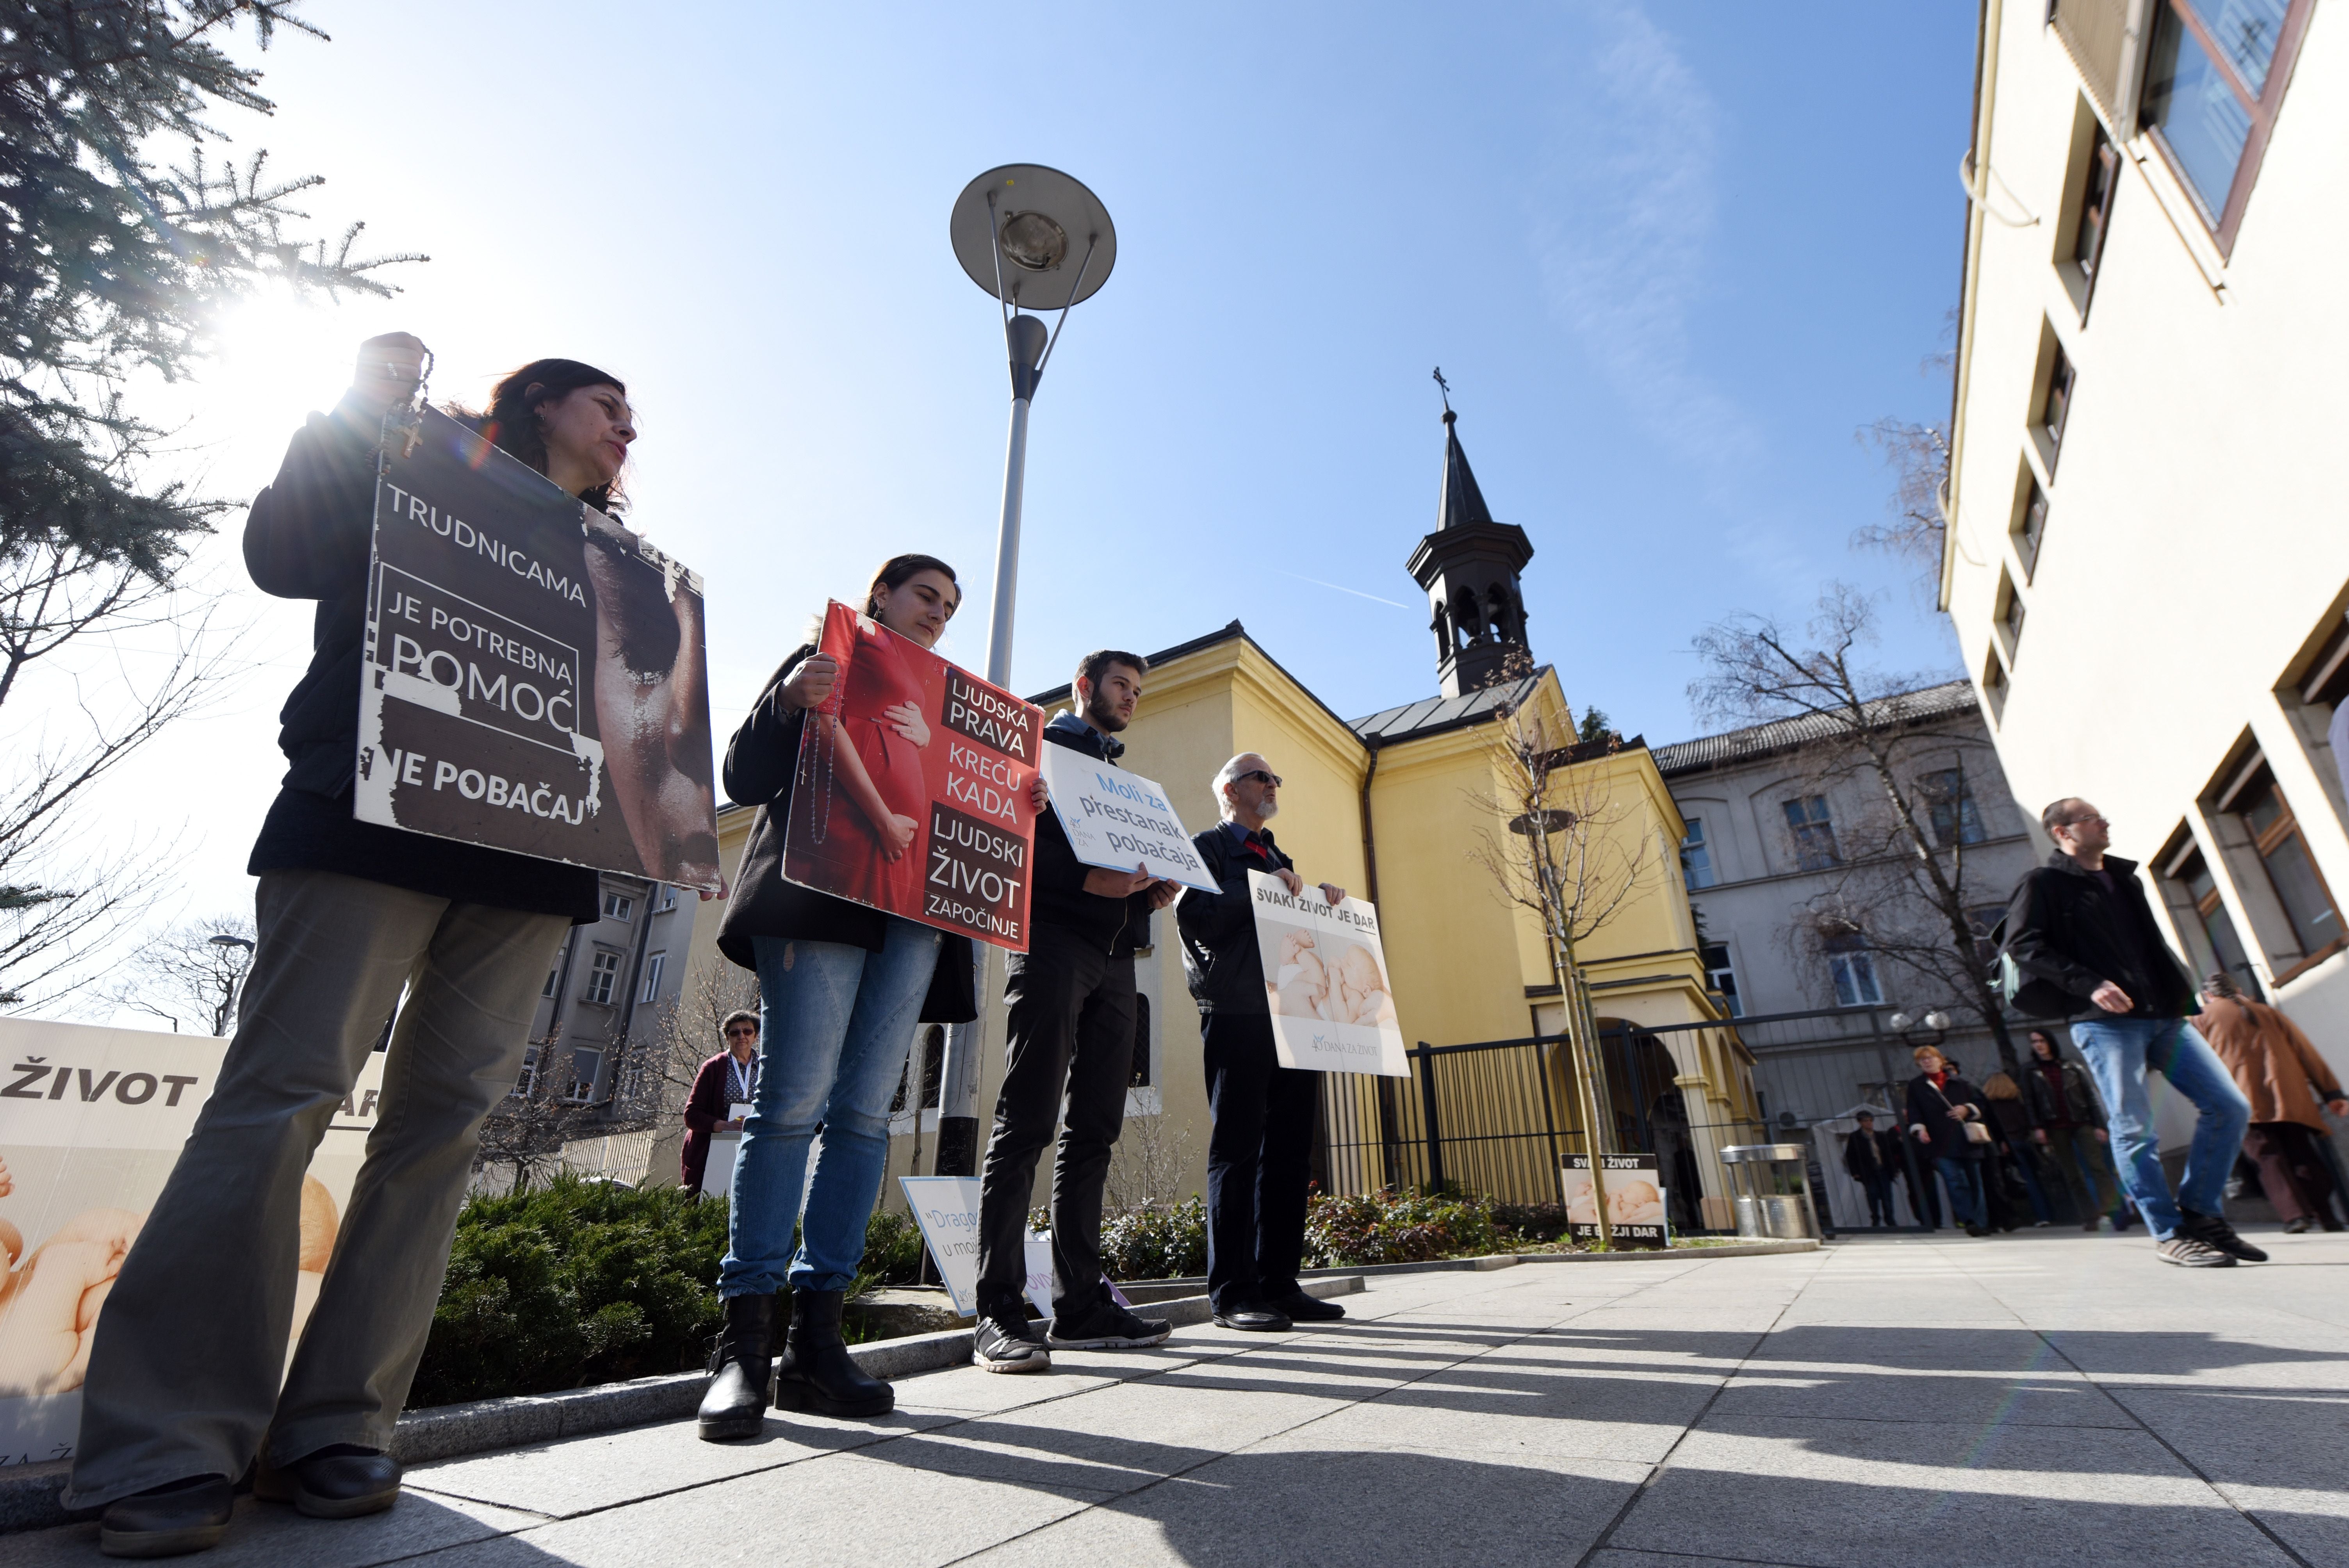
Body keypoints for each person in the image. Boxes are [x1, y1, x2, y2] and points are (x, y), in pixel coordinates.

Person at [62, 340, 622, 1556]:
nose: (628, 426)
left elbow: (642, 722)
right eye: (605, 402)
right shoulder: (413, 468)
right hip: (369, 810)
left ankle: (338, 1425)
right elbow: (284, 556)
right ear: (535, 403)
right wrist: (358, 413)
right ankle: (167, 1444)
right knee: (279, 1098)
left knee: (443, 1129)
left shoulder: (618, 566)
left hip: (529, 862)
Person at [699, 555, 994, 1442]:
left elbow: (961, 806)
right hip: (820, 893)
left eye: (950, 604)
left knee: (865, 1114)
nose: (938, 613)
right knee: (789, 1105)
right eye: (924, 596)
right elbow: (745, 774)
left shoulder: (951, 707)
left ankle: (817, 1344)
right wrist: (790, 699)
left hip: (912, 913)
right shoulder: (821, 656)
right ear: (880, 597)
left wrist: (1014, 801)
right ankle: (742, 1347)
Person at [972, 652, 1179, 1373]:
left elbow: (1119, 869)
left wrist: (1149, 892)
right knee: (1025, 1123)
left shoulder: (1120, 779)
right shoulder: (1041, 754)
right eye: (1122, 685)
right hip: (1053, 946)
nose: (1131, 698)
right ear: (1085, 688)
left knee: (1093, 1132)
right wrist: (1084, 877)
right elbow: (1010, 843)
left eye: (1138, 690)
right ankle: (997, 1310)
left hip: (1117, 959)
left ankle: (1081, 1306)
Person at [2004, 799, 2257, 1267]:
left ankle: (2201, 1214)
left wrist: (2184, 1005)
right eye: (2091, 817)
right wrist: (2090, 983)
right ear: (2062, 832)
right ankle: (2168, 1231)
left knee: (2229, 1105)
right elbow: (2021, 945)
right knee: (2133, 1126)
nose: (2104, 822)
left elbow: (2148, 948)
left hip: (2163, 1015)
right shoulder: (2044, 882)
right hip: (2103, 1024)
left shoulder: (2125, 879)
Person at [1177, 754, 1349, 1331]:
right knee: (1238, 1149)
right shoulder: (1207, 848)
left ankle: (1279, 1283)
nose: (1273, 784)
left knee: (1291, 1153)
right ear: (1229, 788)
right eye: (1261, 777)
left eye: (1277, 778)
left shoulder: (1278, 856)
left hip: (1293, 1015)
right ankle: (1233, 1293)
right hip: (1236, 1013)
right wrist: (1260, 891)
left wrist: (1323, 904)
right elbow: (1195, 917)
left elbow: (1288, 929)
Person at [2196, 974, 2348, 1234]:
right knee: (2303, 1155)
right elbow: (2305, 1051)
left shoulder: (2202, 1021)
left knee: (2267, 1158)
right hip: (2290, 1096)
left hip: (2243, 1102)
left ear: (2208, 996)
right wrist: (2332, 1093)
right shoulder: (2268, 1012)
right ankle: (2327, 1216)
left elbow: (2197, 1068)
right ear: (2238, 990)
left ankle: (2295, 1216)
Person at [2021, 1029, 2126, 1229]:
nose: (2039, 1045)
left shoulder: (2072, 1066)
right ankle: (2089, 1217)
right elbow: (2029, 1102)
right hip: (2055, 1126)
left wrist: (2100, 1125)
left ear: (2051, 1042)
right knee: (2072, 1174)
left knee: (2099, 1168)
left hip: (2082, 1121)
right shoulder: (2030, 1071)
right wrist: (2037, 1127)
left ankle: (2115, 1212)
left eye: (2042, 1041)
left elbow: (2091, 1097)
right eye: (2034, 1042)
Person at [1905, 1046, 1997, 1236]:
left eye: (1931, 1058)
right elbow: (1914, 1111)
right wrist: (1919, 1129)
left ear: (1941, 1060)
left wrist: (1967, 1109)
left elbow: (1981, 1103)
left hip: (1967, 1140)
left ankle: (1981, 1222)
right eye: (1923, 1060)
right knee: (1955, 1181)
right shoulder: (1916, 1086)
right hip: (1939, 1143)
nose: (1927, 1062)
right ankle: (1970, 1221)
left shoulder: (1960, 1083)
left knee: (1975, 1182)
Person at [682, 1011, 762, 1197]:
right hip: (713, 1150)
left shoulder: (767, 1068)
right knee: (709, 1207)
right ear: (727, 1038)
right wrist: (725, 1126)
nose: (741, 1036)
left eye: (747, 1031)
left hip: (755, 1149)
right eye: (735, 1033)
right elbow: (691, 1115)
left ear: (756, 1036)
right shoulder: (713, 1067)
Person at [1980, 1073, 2054, 1226]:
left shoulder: (1990, 1106)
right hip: (2023, 1142)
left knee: (2001, 1182)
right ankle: (2045, 1215)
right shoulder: (2018, 1103)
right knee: (2032, 1180)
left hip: (2004, 1145)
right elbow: (2026, 1123)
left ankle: (2008, 1219)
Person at [1841, 1112, 1897, 1228]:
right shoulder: (1856, 1137)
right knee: (1873, 1194)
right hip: (1868, 1172)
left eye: (1871, 1121)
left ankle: (1890, 1219)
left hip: (1883, 1170)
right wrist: (1856, 1172)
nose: (1869, 1123)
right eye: (1866, 1121)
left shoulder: (1880, 1136)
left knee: (1887, 1196)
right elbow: (1851, 1156)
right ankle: (1876, 1218)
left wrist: (1893, 1169)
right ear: (1861, 1123)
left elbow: (1888, 1153)